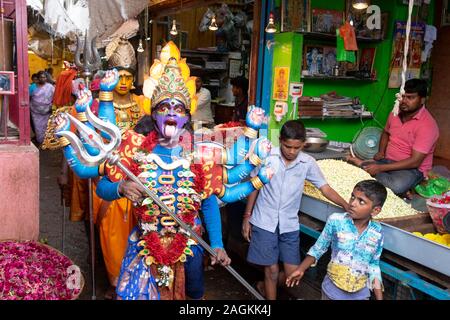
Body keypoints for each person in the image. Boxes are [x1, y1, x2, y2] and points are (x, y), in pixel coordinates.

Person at [242, 119, 350, 300]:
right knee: (272, 269)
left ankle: (263, 286)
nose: (292, 152)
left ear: (303, 145)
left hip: (289, 225)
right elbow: (255, 185)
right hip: (264, 221)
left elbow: (325, 188)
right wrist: (247, 216)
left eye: (296, 148)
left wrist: (346, 205)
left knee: (294, 273)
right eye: (287, 146)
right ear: (280, 140)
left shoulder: (307, 163)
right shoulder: (268, 157)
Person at [286, 180, 387, 300]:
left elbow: (374, 265)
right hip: (332, 292)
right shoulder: (336, 221)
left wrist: (379, 298)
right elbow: (318, 249)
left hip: (360, 295)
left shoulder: (377, 232)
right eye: (352, 197)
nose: (353, 203)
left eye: (361, 201)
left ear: (375, 210)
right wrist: (301, 269)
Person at [347, 79, 439, 196]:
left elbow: (415, 162)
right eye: (402, 97)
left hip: (411, 169)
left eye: (410, 98)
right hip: (387, 161)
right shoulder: (395, 113)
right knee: (353, 173)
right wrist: (381, 152)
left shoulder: (427, 125)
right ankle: (371, 171)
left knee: (396, 187)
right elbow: (386, 132)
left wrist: (381, 168)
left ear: (422, 100)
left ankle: (365, 167)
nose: (404, 101)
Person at [30, 71, 55, 145]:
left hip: (47, 110)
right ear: (38, 78)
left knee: (47, 126)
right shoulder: (33, 86)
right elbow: (29, 96)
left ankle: (48, 142)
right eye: (41, 77)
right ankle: (41, 142)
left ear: (46, 78)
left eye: (44, 77)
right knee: (38, 127)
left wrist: (52, 106)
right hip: (35, 111)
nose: (43, 79)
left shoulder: (50, 87)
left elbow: (54, 97)